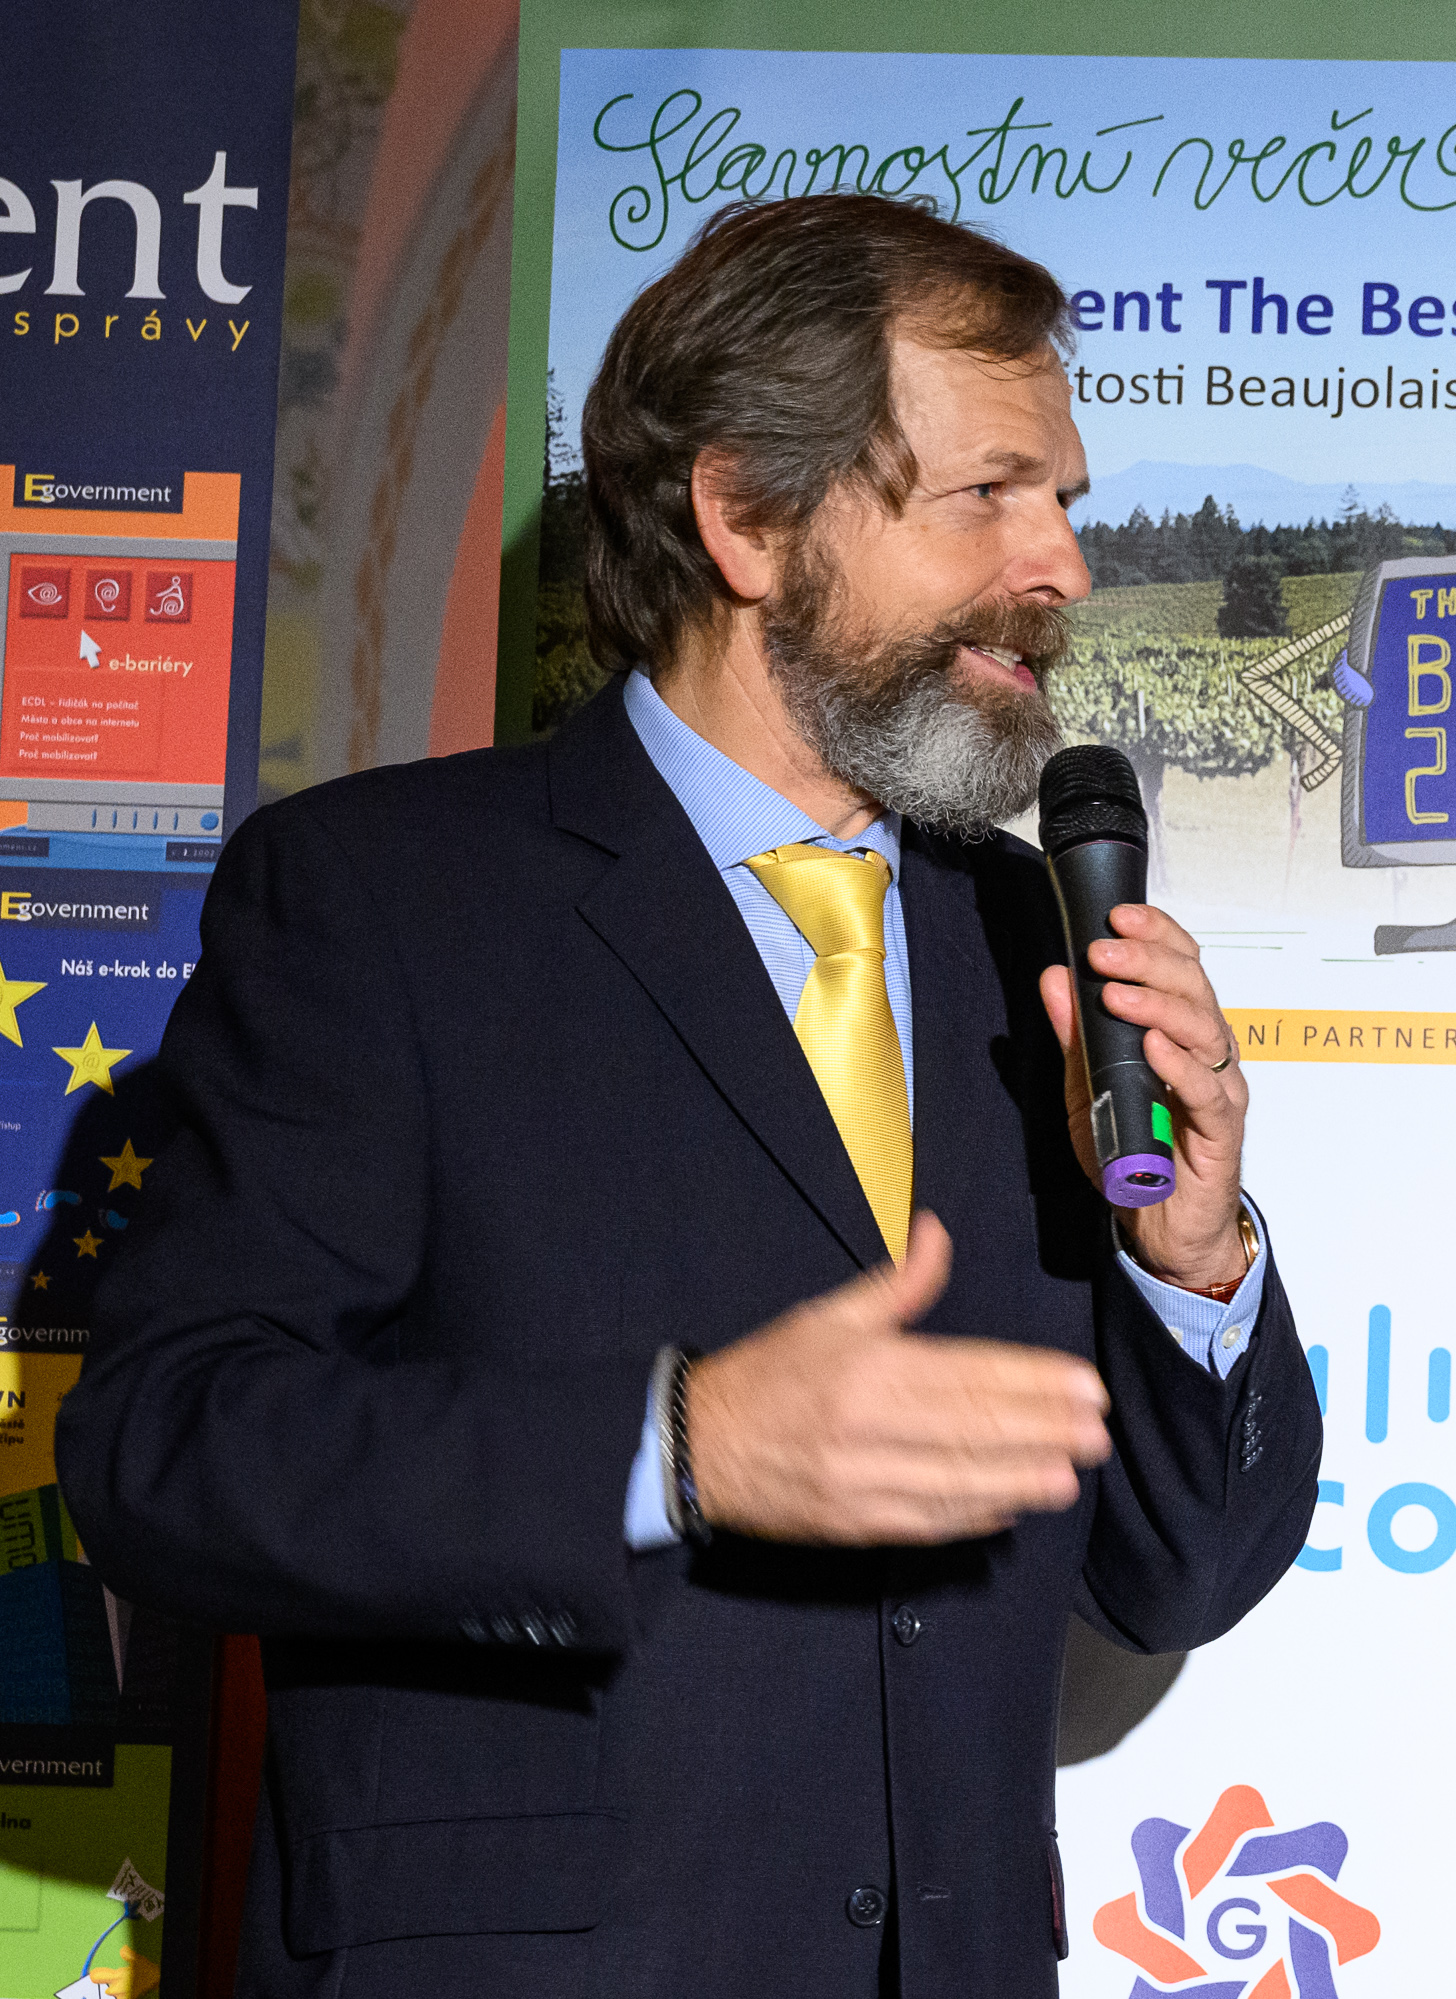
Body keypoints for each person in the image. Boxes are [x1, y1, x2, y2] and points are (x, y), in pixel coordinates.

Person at [56, 192, 1321, 1998]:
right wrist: (675, 1450)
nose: (1063, 565)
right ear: (744, 517)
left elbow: (1177, 1576)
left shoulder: (1024, 934)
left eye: (1065, 499)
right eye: (990, 492)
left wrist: (1192, 1264)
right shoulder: (381, 900)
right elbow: (167, 1455)